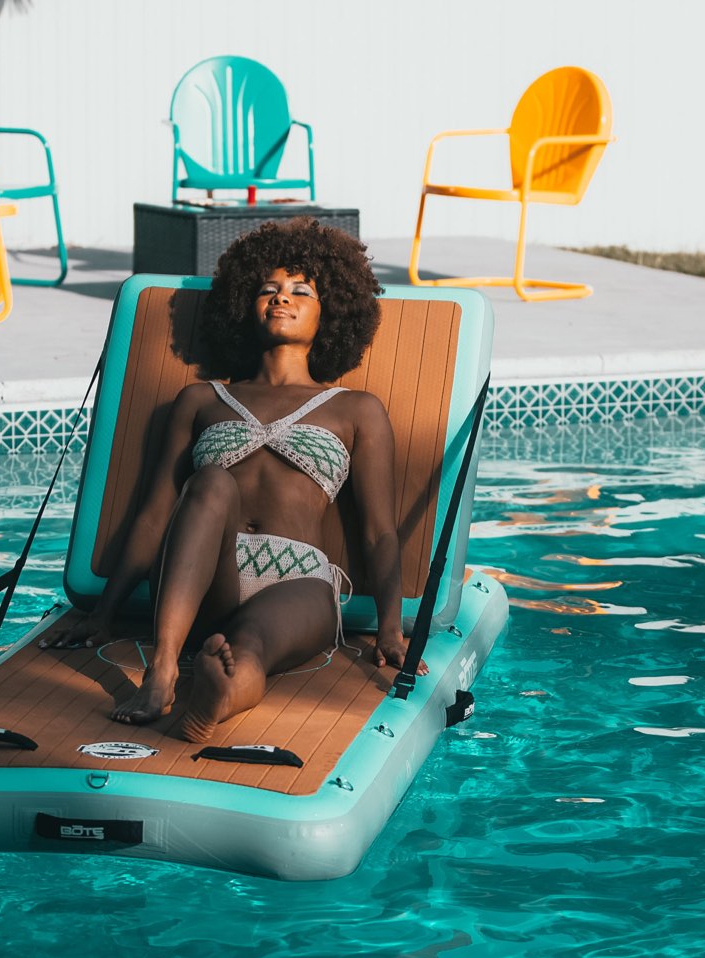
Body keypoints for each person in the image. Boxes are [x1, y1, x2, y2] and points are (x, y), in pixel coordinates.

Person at [41, 217, 426, 743]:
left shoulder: (356, 409)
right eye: (268, 289)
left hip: (298, 579)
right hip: (202, 579)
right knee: (211, 482)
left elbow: (379, 530)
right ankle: (163, 671)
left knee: (250, 648)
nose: (282, 298)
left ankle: (218, 695)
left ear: (331, 312)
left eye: (301, 291)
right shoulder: (202, 400)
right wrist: (104, 613)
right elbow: (154, 515)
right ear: (245, 305)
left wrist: (390, 629)